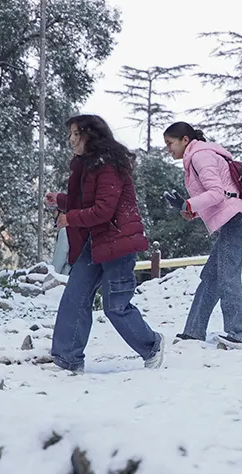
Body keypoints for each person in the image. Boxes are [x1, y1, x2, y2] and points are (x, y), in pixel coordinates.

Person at [45, 115, 164, 373]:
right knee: (74, 296)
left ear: (92, 136)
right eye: (70, 134)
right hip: (97, 240)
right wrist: (62, 200)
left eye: (76, 134)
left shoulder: (109, 166)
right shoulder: (88, 165)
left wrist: (69, 218)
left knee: (115, 306)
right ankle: (67, 358)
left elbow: (103, 210)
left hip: (119, 241)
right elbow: (89, 202)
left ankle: (151, 345)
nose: (71, 140)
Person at [163, 121, 242, 348]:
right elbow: (221, 193)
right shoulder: (197, 156)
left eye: (170, 143)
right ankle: (193, 331)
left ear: (185, 140)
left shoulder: (200, 156)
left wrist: (188, 204)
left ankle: (240, 334)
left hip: (236, 218)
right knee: (211, 277)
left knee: (227, 275)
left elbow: (218, 194)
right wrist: (190, 210)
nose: (168, 149)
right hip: (232, 218)